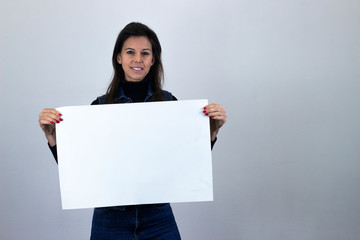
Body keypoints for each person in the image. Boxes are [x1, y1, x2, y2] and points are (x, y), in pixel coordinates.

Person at [38, 22, 227, 240]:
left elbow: (187, 163)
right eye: (130, 52)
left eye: (145, 53)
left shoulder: (170, 103)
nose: (138, 59)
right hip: (110, 219)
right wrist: (51, 136)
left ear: (153, 59)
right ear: (119, 58)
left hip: (158, 217)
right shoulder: (99, 107)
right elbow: (79, 171)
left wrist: (211, 132)